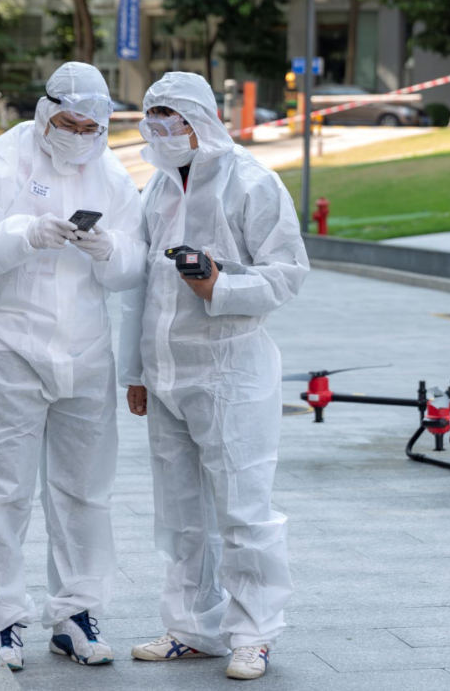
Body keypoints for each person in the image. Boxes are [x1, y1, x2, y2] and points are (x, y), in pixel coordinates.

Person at [0, 62, 145, 671]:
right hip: (10, 346)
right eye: (69, 123)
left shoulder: (110, 174)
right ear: (44, 111)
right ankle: (3, 617)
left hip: (85, 352)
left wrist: (109, 249)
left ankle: (77, 614)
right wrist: (24, 233)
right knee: (4, 491)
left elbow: (133, 267)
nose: (79, 135)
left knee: (86, 491)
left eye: (91, 127)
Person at [119, 72, 308, 681]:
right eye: (153, 119)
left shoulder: (253, 182)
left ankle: (254, 633)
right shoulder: (155, 190)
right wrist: (137, 372)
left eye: (171, 117)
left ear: (200, 118)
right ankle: (192, 629)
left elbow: (286, 273)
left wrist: (218, 285)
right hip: (168, 375)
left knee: (244, 508)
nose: (161, 130)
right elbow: (141, 293)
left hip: (232, 372)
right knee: (179, 513)